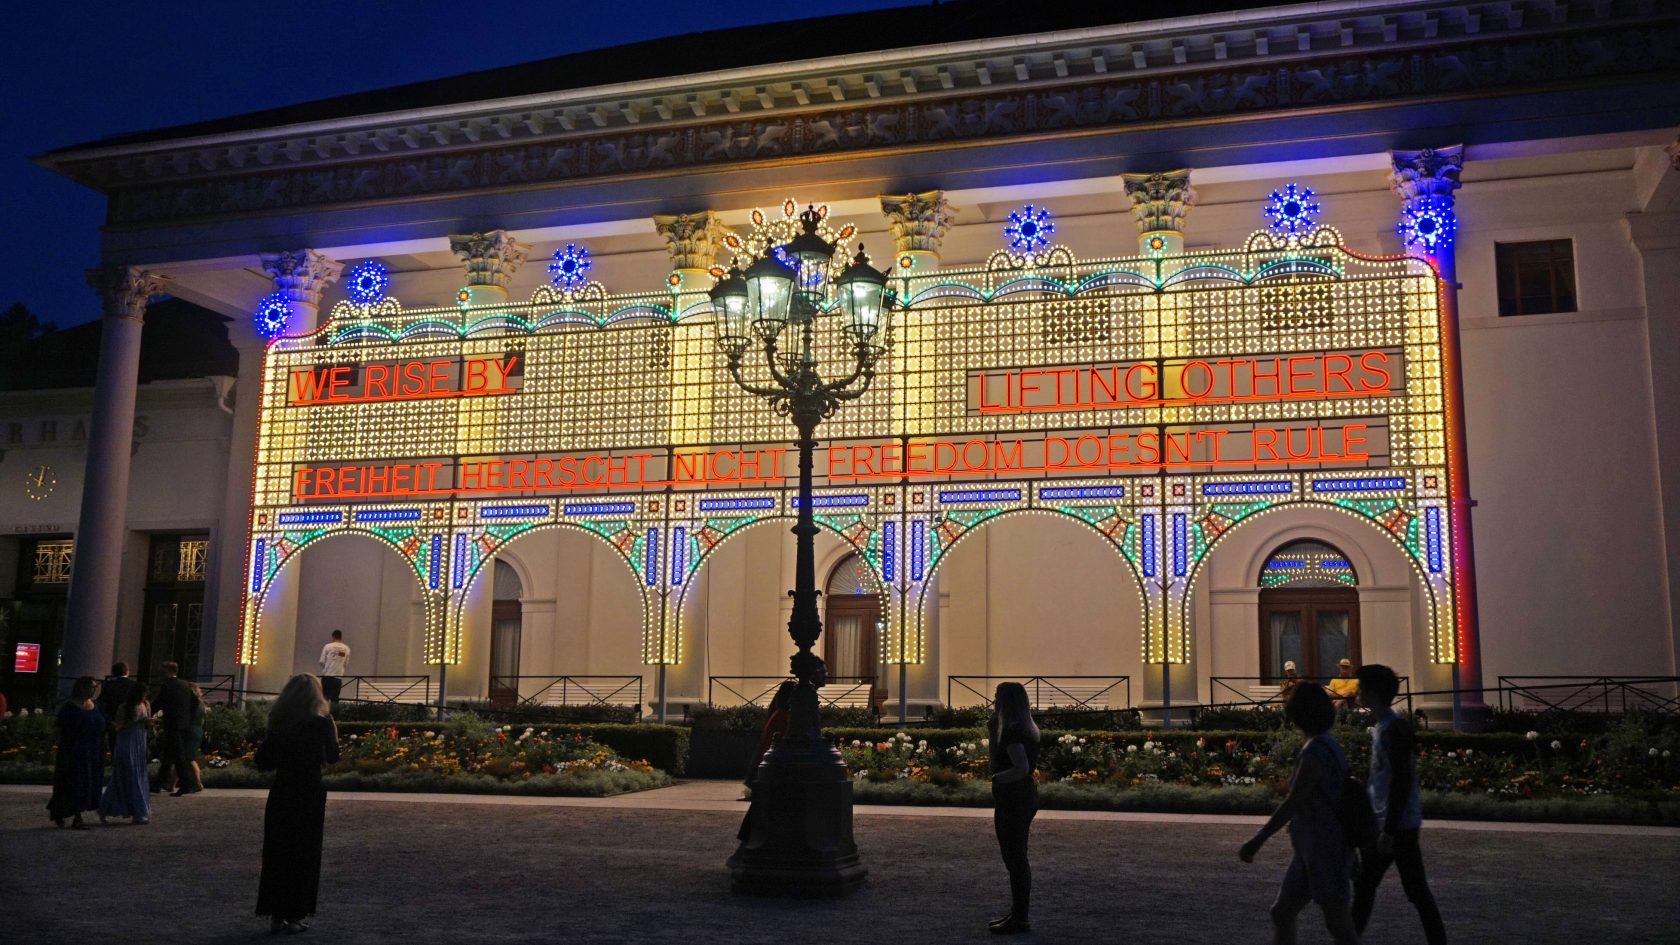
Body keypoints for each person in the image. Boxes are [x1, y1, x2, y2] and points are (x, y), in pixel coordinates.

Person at [1239, 682, 1361, 945]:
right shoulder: (1329, 746)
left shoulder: (1315, 751)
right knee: (1283, 912)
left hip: (1323, 846)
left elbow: (1294, 801)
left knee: (1337, 923)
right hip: (1313, 846)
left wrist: (1258, 839)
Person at [1352, 664, 1446, 945]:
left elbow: (1400, 781)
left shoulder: (1393, 729)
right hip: (1394, 823)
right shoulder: (1387, 726)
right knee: (1407, 890)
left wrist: (1389, 830)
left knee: (1376, 887)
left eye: (1360, 687)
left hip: (1396, 825)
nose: (1356, 691)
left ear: (1372, 693)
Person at [254, 674, 340, 934]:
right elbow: (332, 758)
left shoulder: (279, 724)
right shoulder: (321, 724)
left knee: (278, 852)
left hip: (283, 790)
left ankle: (276, 914)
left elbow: (262, 762)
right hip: (309, 792)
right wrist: (332, 732)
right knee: (305, 852)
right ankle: (296, 913)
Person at [987, 681, 1041, 935]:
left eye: (997, 696)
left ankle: (1020, 917)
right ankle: (1018, 913)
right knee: (1017, 855)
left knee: (1015, 858)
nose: (994, 700)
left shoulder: (1012, 730)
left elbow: (1020, 768)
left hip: (1013, 797)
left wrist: (998, 779)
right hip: (1025, 795)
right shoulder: (1026, 728)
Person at [737, 680, 797, 842]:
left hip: (766, 767)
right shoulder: (782, 717)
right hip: (771, 768)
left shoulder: (777, 714)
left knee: (762, 806)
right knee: (763, 806)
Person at [47, 676, 105, 830]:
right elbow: (59, 728)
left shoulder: (95, 705)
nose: (93, 690)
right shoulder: (70, 707)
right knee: (75, 781)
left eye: (95, 687)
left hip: (92, 750)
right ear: (81, 688)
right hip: (74, 750)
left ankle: (64, 811)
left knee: (87, 782)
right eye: (91, 687)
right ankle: (76, 816)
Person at [98, 681, 152, 825]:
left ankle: (137, 811)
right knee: (127, 776)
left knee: (137, 776)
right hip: (127, 743)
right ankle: (135, 811)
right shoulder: (125, 707)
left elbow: (146, 724)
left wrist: (148, 724)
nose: (144, 697)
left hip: (139, 743)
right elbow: (119, 727)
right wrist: (137, 722)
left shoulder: (145, 705)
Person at [151, 661, 201, 795]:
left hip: (172, 724)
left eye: (162, 670)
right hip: (183, 724)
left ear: (167, 671)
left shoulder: (167, 685)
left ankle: (185, 784)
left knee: (178, 756)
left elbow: (158, 702)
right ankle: (158, 783)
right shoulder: (185, 685)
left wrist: (147, 712)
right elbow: (195, 702)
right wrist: (188, 718)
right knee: (170, 754)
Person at [96, 661, 136, 743]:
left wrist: (109, 720)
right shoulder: (134, 685)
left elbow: (100, 702)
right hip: (129, 721)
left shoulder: (109, 685)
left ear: (113, 672)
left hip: (112, 720)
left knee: (113, 745)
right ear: (127, 671)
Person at [184, 681, 208, 792]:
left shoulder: (191, 704)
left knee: (188, 758)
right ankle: (171, 784)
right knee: (186, 757)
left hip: (190, 730)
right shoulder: (202, 705)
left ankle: (198, 783)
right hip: (198, 730)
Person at [318, 630, 350, 706]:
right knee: (335, 699)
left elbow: (321, 661)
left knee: (324, 699)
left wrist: (326, 668)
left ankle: (324, 716)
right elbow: (346, 663)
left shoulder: (327, 646)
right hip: (338, 677)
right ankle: (334, 716)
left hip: (327, 676)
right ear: (341, 637)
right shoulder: (346, 648)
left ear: (333, 637)